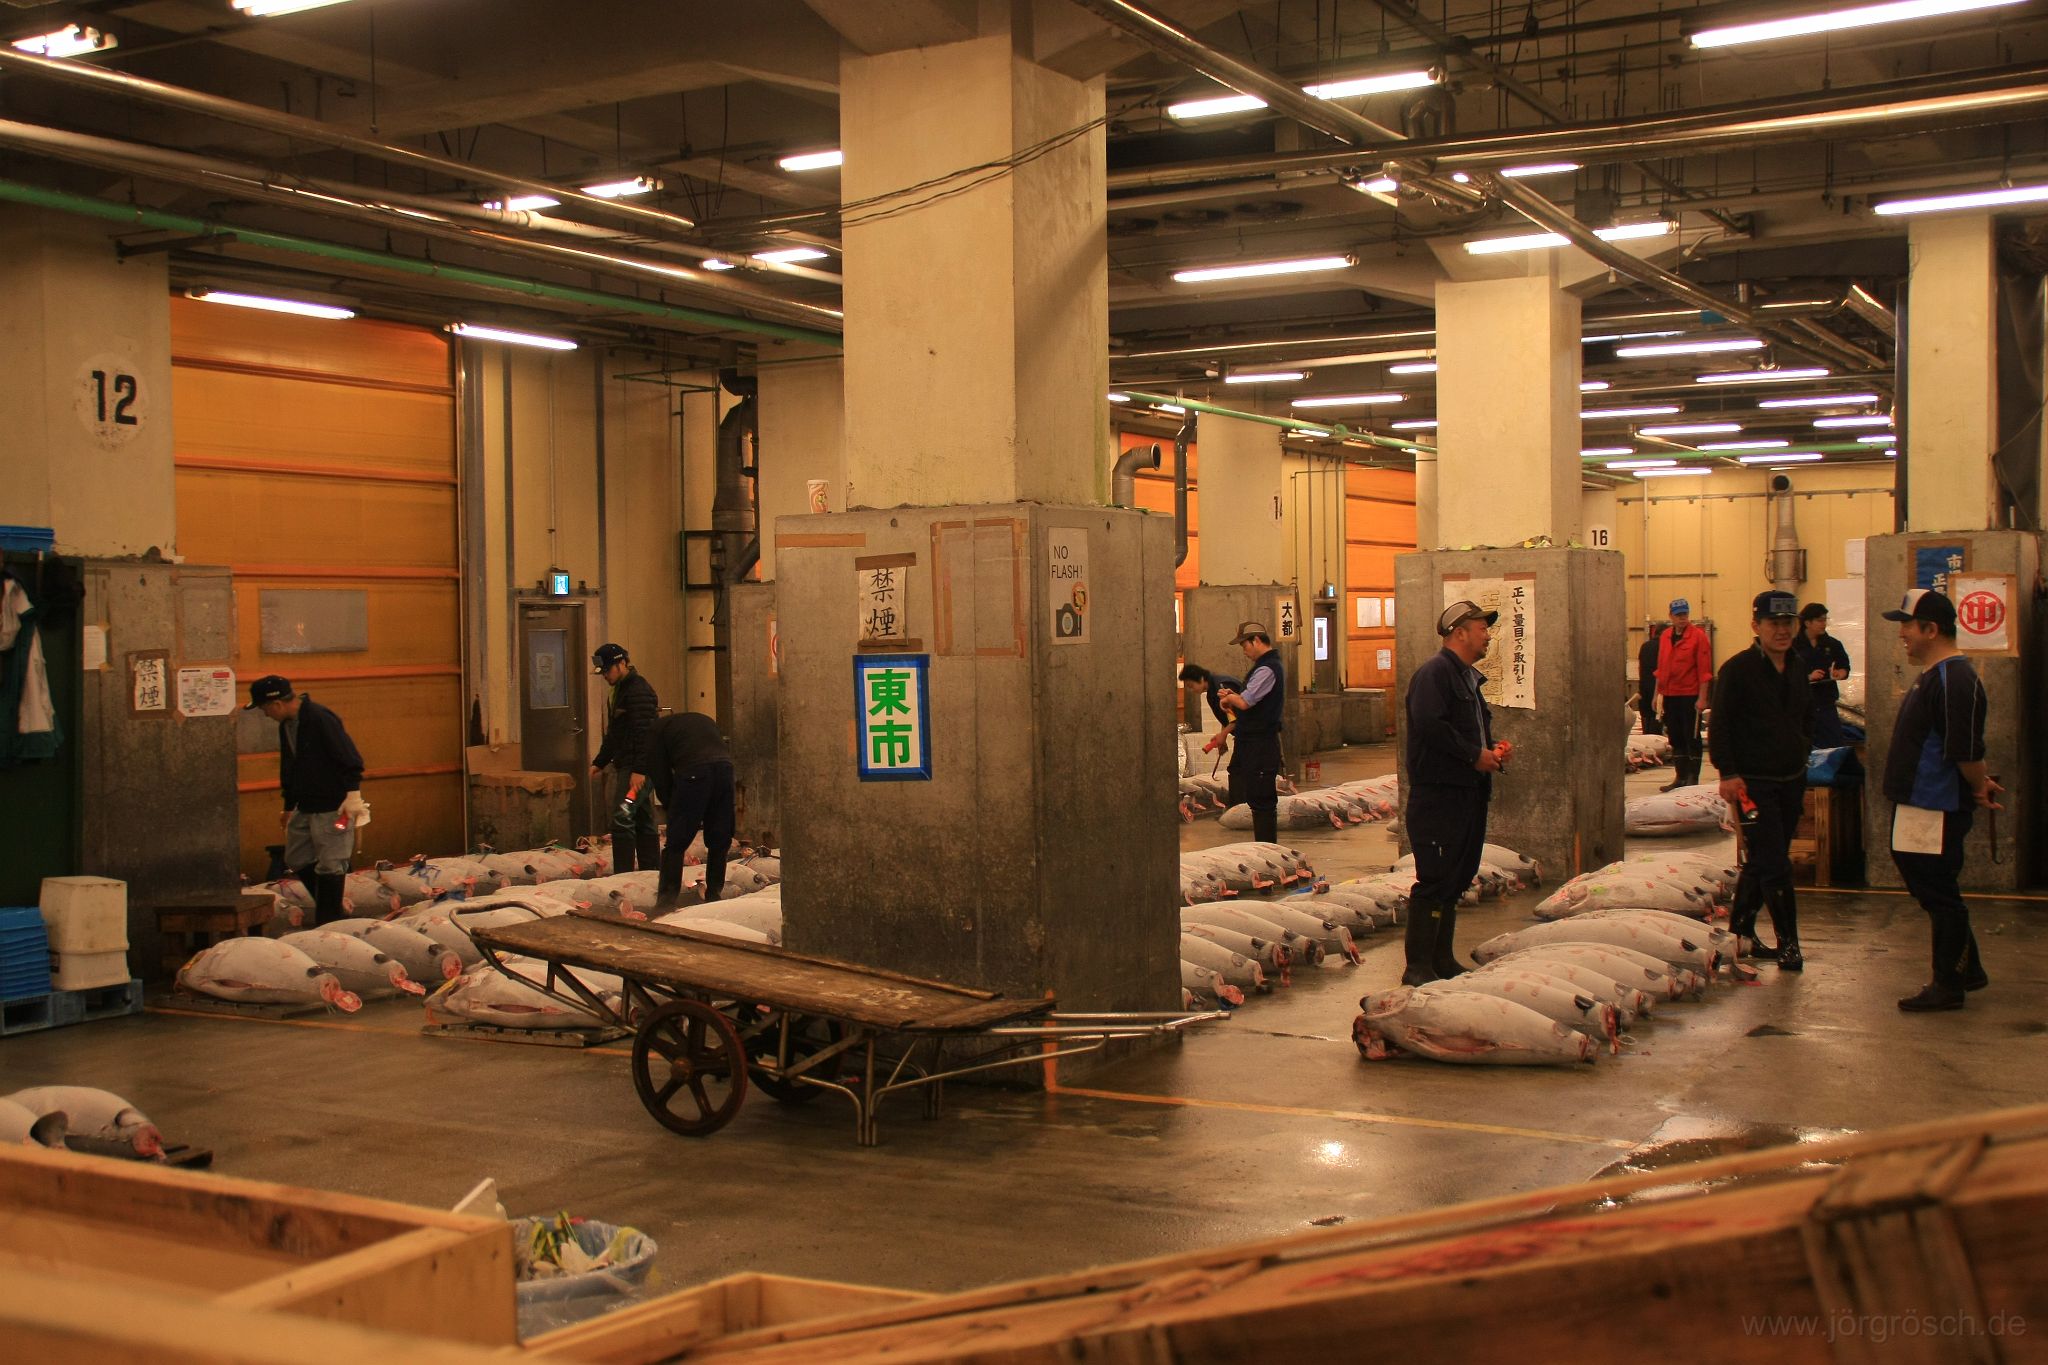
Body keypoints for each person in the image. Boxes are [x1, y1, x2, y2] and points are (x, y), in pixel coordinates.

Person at [1880, 590, 1999, 1012]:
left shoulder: (1956, 679)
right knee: (1929, 885)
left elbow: (1965, 749)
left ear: (1931, 629)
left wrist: (1979, 786)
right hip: (1919, 803)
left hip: (1934, 805)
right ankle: (1968, 969)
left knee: (1938, 893)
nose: (1902, 635)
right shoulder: (1935, 675)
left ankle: (1949, 984)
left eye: (1907, 626)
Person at [1401, 600, 1505, 986]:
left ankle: (1441, 959)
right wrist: (1474, 755)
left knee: (1456, 878)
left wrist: (1491, 751)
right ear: (1459, 633)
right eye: (1482, 628)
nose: (1487, 635)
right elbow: (1430, 724)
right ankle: (1417, 967)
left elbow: (1464, 729)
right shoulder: (1435, 673)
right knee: (1435, 880)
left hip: (1466, 794)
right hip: (1439, 796)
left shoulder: (1466, 678)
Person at [1707, 591, 1812, 969]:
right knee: (1774, 861)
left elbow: (1805, 716)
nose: (1782, 631)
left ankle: (1741, 934)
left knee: (1763, 859)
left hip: (1791, 778)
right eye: (1774, 624)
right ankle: (1789, 944)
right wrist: (1728, 773)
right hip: (1752, 783)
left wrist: (1803, 750)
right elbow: (1720, 725)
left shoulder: (1798, 665)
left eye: (1788, 623)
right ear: (1756, 625)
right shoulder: (1737, 670)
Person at [246, 674, 365, 926]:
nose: (265, 714)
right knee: (296, 857)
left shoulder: (320, 718)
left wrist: (353, 794)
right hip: (306, 804)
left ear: (277, 704)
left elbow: (349, 756)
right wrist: (288, 805)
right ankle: (330, 905)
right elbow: (289, 767)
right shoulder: (286, 726)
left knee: (331, 864)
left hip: (334, 805)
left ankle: (330, 922)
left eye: (265, 709)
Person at [638, 711, 736, 910]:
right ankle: (714, 894)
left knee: (676, 842)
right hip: (725, 770)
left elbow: (660, 775)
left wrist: (671, 807)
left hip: (694, 772)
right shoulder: (700, 719)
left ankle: (666, 901)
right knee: (720, 837)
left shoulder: (654, 733)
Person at [589, 642, 661, 874]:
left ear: (622, 664)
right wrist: (600, 761)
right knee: (642, 818)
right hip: (630, 766)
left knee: (623, 815)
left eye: (608, 670)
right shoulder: (619, 691)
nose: (605, 676)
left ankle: (623, 876)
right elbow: (615, 733)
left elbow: (646, 733)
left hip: (636, 771)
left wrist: (640, 770)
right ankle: (652, 872)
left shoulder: (638, 691)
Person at [1215, 623, 1284, 844]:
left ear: (1256, 640)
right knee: (1256, 798)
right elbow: (1250, 699)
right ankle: (1262, 847)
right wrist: (1233, 695)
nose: (1244, 651)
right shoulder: (1264, 667)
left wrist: (1230, 698)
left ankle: (1267, 849)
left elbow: (1246, 702)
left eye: (1244, 645)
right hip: (1254, 742)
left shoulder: (1267, 668)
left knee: (1262, 800)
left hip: (1261, 744)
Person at [1655, 598, 1714, 791]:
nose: (1682, 618)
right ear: (1671, 616)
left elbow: (1705, 671)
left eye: (1685, 614)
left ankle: (1692, 778)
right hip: (1669, 694)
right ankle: (1680, 777)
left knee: (1692, 737)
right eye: (1678, 615)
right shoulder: (1665, 636)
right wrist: (1657, 694)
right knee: (1675, 736)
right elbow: (1661, 667)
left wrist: (1702, 698)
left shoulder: (1698, 637)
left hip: (1689, 695)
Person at [1793, 603, 1853, 748]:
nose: (1823, 624)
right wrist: (1807, 677)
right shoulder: (1793, 646)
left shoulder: (1833, 644)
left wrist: (1840, 673)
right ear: (1807, 623)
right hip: (1802, 705)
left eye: (1825, 620)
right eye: (1819, 620)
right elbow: (1785, 674)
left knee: (1834, 745)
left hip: (1826, 703)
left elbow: (1844, 667)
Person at [1178, 661, 1242, 758]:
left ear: (1201, 678)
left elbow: (1239, 716)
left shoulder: (1221, 687)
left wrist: (1223, 735)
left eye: (1191, 686)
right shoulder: (1211, 693)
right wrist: (1223, 736)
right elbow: (1227, 716)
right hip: (1243, 735)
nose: (1191, 690)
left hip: (1254, 733)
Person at [1635, 623, 1666, 736]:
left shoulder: (1645, 646)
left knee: (1646, 725)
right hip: (1658, 690)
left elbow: (1640, 667)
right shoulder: (1665, 647)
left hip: (1644, 688)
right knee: (1656, 727)